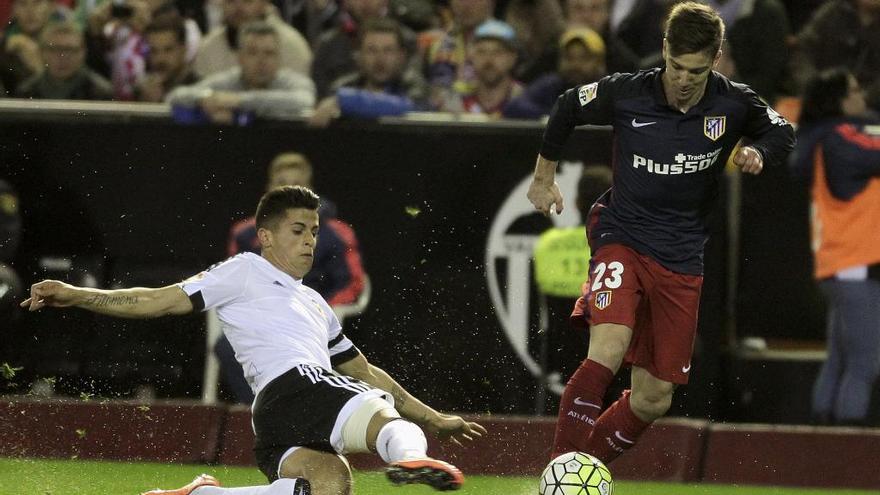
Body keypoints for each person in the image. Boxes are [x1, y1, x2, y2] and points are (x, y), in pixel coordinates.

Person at [21, 185, 486, 495]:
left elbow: (363, 370)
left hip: (273, 414)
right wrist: (78, 294)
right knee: (381, 416)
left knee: (329, 483)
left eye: (315, 233)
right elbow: (160, 300)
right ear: (264, 236)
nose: (309, 242)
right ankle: (411, 458)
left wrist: (434, 415)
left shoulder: (317, 304)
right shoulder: (245, 269)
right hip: (298, 384)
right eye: (298, 231)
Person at [526, 1, 795, 463]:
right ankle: (561, 473)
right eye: (675, 66)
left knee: (654, 398)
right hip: (622, 237)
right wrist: (543, 177)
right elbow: (568, 106)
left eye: (696, 69)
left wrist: (759, 153)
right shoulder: (629, 92)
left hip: (681, 256)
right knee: (606, 352)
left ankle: (581, 470)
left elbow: (783, 130)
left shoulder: (734, 102)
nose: (684, 79)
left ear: (715, 58)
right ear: (664, 49)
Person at [224, 152, 367, 404]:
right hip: (261, 317)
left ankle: (299, 411)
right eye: (281, 185)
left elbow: (353, 282)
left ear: (309, 191)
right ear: (269, 190)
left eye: (296, 187)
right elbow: (234, 282)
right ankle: (258, 411)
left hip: (311, 319)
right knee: (226, 345)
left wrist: (319, 311)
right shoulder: (246, 233)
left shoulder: (335, 233)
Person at [789, 68, 880, 426]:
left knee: (840, 359)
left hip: (838, 264)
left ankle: (821, 448)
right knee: (866, 363)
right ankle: (844, 449)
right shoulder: (841, 137)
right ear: (840, 101)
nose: (861, 98)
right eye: (855, 90)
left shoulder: (822, 138)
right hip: (854, 263)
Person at [168, 21, 315, 124]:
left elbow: (305, 100)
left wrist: (238, 102)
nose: (261, 61)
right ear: (240, 57)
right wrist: (205, 99)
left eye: (269, 53)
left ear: (279, 58)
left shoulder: (291, 81)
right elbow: (175, 96)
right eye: (252, 53)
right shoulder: (230, 80)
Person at [309, 17, 427, 127]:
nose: (380, 59)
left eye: (388, 50)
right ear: (358, 55)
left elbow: (409, 107)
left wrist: (346, 100)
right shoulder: (343, 86)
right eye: (371, 50)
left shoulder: (415, 86)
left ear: (401, 56)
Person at [503, 27, 607, 119]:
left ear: (599, 62)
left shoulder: (609, 89)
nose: (576, 65)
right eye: (569, 58)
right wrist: (550, 116)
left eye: (584, 58)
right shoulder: (551, 85)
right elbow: (514, 107)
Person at [193, 0, 311, 79]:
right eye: (231, 0)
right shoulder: (208, 47)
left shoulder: (291, 44)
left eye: (247, 0)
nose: (238, 7)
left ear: (265, 3)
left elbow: (301, 99)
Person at [16, 21, 114, 100]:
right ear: (42, 52)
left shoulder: (100, 92)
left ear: (83, 52)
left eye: (70, 50)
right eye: (56, 49)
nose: (63, 56)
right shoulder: (27, 92)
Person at [454, 19, 522, 117]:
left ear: (512, 58)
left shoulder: (524, 99)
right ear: (471, 56)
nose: (489, 60)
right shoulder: (458, 100)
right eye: (481, 52)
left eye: (498, 52)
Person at [136, 16, 199, 102]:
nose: (160, 58)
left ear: (183, 50)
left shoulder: (199, 90)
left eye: (168, 50)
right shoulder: (141, 91)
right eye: (154, 51)